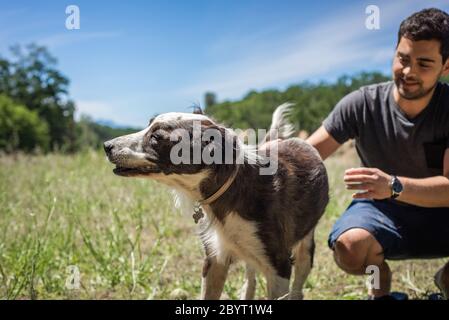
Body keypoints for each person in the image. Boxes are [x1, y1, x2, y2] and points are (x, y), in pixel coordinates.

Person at [306, 8, 449, 300]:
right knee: (350, 247)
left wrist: (393, 186)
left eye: (424, 63)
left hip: (441, 215)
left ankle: (446, 279)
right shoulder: (361, 104)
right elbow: (306, 155)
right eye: (403, 59)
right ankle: (381, 289)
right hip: (381, 212)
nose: (408, 72)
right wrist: (258, 156)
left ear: (446, 67)